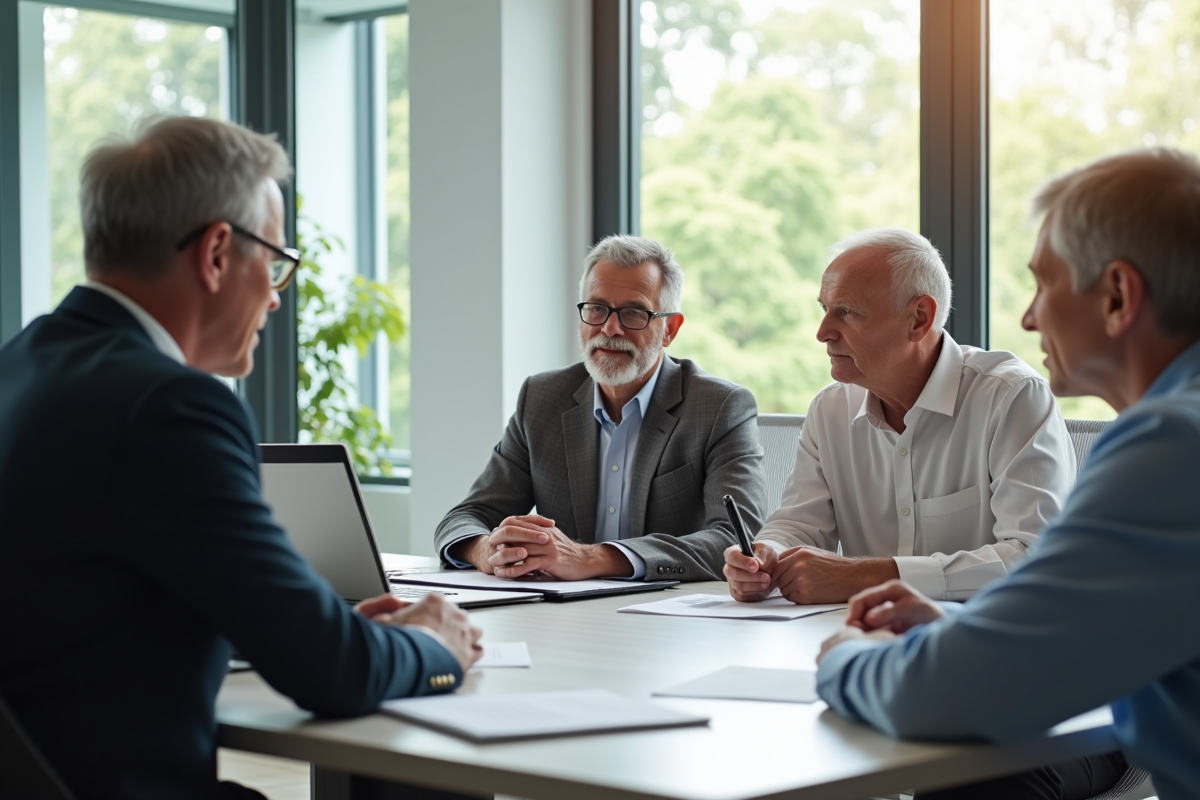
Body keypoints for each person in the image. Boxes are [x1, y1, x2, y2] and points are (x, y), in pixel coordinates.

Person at [0, 116, 482, 800]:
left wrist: (323, 623)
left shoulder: (19, 368)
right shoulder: (169, 407)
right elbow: (332, 675)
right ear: (218, 253)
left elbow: (92, 603)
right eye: (276, 260)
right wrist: (437, 648)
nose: (278, 296)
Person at [815, 147, 1200, 799]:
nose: (1029, 317)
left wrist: (846, 659)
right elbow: (1097, 626)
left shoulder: (1171, 448)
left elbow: (951, 695)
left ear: (1117, 296)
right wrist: (970, 632)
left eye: (1044, 283)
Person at [724, 228, 1075, 605]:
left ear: (919, 319)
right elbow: (799, 525)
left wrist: (865, 577)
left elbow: (1036, 556)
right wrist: (766, 555)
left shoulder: (1012, 397)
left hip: (992, 644)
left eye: (847, 312)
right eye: (825, 309)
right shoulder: (830, 411)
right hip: (862, 637)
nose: (823, 332)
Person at [434, 235, 766, 581]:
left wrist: (591, 559)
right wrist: (486, 549)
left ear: (670, 328)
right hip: (561, 615)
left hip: (670, 620)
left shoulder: (719, 408)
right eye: (596, 309)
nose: (609, 328)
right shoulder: (542, 399)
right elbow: (467, 516)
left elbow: (737, 542)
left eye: (633, 313)